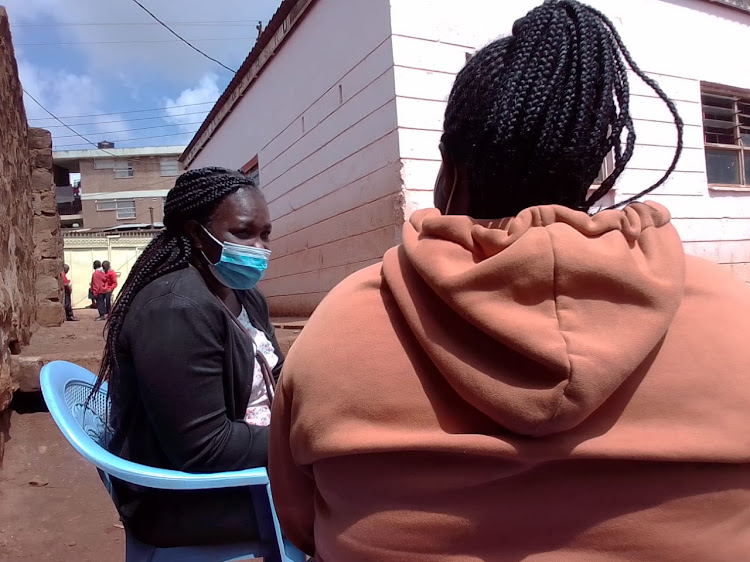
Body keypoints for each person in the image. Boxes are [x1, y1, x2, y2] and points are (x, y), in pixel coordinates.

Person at [269, 1, 750, 560]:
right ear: (598, 171)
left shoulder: (337, 330)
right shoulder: (735, 316)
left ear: (450, 172)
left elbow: (299, 520)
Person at [95, 167, 283, 549]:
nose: (260, 248)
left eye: (265, 235)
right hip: (186, 497)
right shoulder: (175, 310)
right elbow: (204, 448)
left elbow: (276, 376)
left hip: (252, 462)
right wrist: (307, 439)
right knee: (357, 501)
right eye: (244, 233)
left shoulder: (244, 296)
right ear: (197, 234)